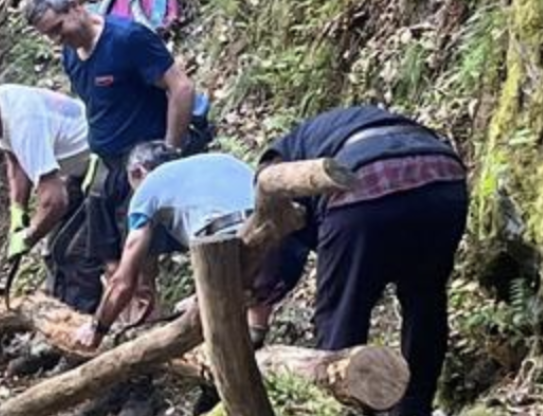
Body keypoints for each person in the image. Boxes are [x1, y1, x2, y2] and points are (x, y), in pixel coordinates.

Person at [260, 106, 468, 416]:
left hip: (363, 186)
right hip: (443, 177)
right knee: (426, 301)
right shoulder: (335, 128)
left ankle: (338, 409)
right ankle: (414, 408)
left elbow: (279, 243)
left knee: (340, 317)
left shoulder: (276, 166)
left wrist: (264, 289)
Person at [23, 0, 196, 320]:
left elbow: (181, 86)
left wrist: (169, 152)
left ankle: (142, 338)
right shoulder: (71, 56)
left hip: (141, 162)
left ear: (75, 6)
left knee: (139, 256)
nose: (58, 39)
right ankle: (99, 328)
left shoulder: (127, 39)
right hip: (106, 165)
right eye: (50, 36)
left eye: (59, 28)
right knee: (98, 251)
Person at [73, 142, 306, 350]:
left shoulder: (149, 186)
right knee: (254, 262)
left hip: (226, 252)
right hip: (289, 248)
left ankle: (228, 367)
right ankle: (255, 338)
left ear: (137, 172)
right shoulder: (222, 161)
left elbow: (124, 280)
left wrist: (97, 328)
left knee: (216, 327)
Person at [0, 84, 103, 313]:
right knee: (53, 248)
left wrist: (28, 236)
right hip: (79, 167)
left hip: (106, 162)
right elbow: (15, 161)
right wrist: (17, 210)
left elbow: (54, 200)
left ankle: (79, 326)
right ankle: (56, 311)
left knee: (75, 253)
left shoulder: (24, 123)